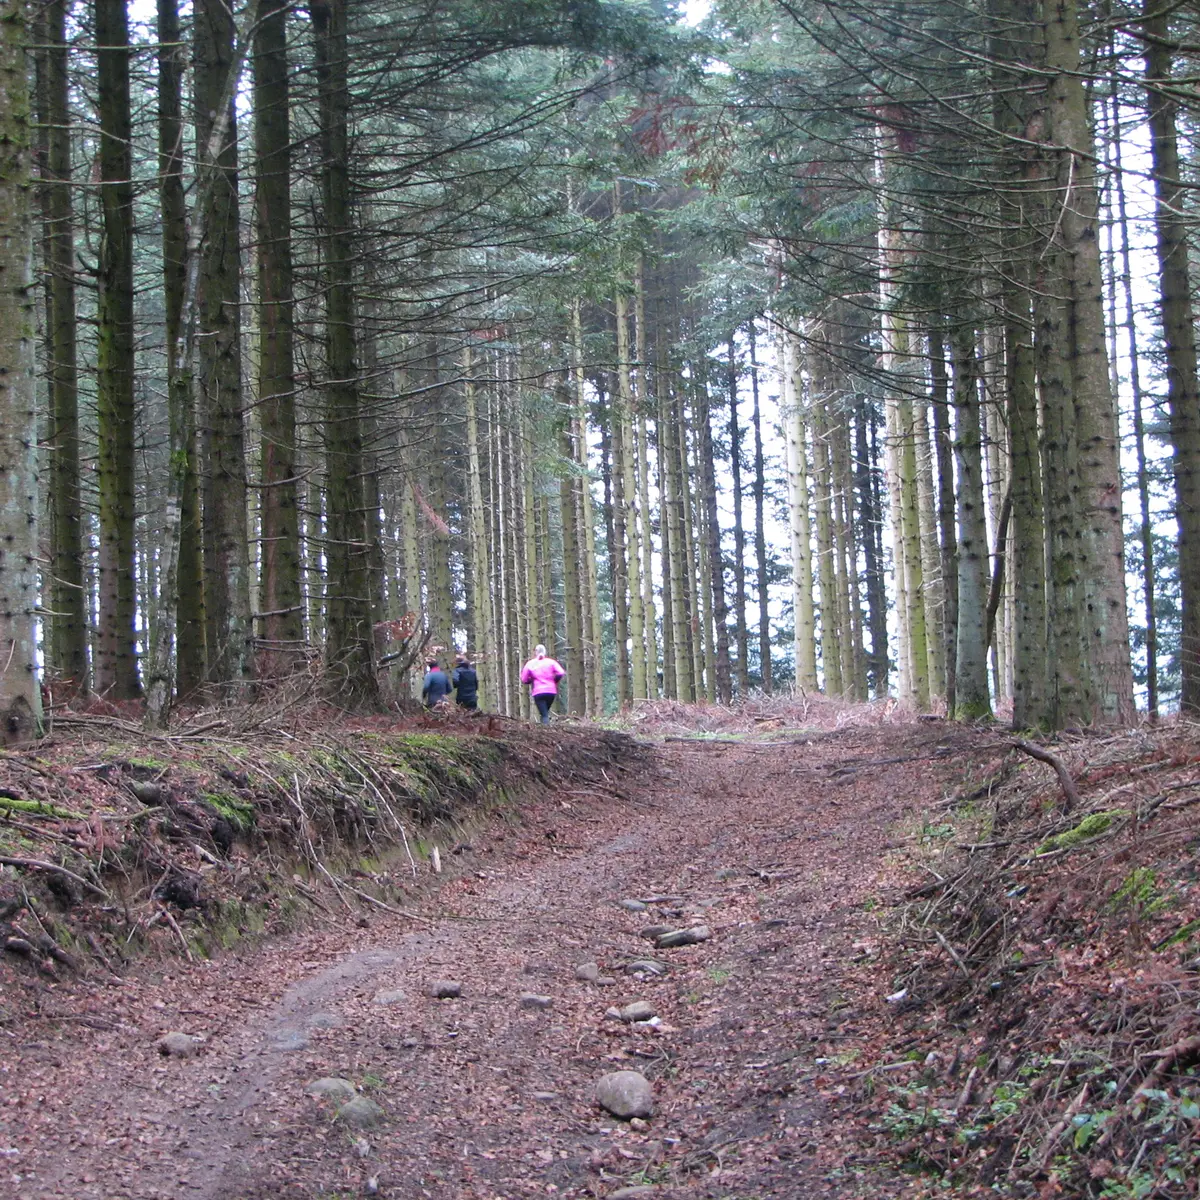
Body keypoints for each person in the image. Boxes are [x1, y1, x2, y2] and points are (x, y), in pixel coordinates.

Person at [520, 643, 565, 724]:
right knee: (544, 712)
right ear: (545, 652)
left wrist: (530, 680)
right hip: (551, 692)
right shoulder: (551, 662)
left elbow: (524, 679)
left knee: (544, 714)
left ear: (536, 652)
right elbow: (561, 672)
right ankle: (544, 728)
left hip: (538, 692)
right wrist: (555, 681)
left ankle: (545, 731)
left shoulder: (530, 663)